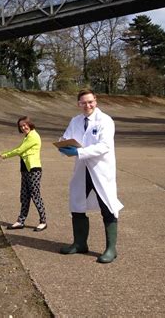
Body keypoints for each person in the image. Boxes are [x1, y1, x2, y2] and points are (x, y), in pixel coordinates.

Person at [58, 89, 124, 264]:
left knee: (107, 206)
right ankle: (80, 243)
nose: (87, 105)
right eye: (83, 103)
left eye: (90, 102)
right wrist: (62, 144)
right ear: (78, 104)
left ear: (96, 101)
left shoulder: (105, 121)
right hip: (82, 170)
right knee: (76, 204)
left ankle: (111, 249)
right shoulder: (76, 120)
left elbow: (104, 146)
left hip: (100, 170)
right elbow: (66, 136)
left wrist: (79, 151)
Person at [0, 116, 47, 232]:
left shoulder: (33, 136)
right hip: (25, 170)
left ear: (30, 124)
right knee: (24, 196)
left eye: (25, 125)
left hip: (33, 170)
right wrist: (4, 153)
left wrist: (4, 155)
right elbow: (20, 148)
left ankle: (43, 221)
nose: (23, 128)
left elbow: (20, 150)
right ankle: (20, 221)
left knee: (35, 196)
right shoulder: (27, 136)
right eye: (21, 126)